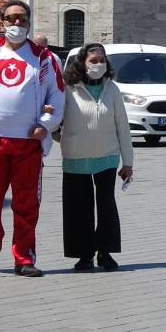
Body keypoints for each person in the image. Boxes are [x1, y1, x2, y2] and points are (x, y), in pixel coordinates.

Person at [0, 0, 65, 277]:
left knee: (26, 204)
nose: (17, 23)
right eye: (12, 18)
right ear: (2, 21)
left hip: (28, 143)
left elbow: (57, 96)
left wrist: (46, 123)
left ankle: (23, 257)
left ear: (29, 22)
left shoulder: (44, 58)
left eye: (23, 19)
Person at [58, 43, 133, 272]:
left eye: (102, 60)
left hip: (107, 157)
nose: (98, 65)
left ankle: (105, 251)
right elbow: (54, 119)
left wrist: (128, 162)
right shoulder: (68, 89)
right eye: (93, 61)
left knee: (106, 206)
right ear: (82, 63)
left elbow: (123, 126)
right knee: (78, 208)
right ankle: (84, 254)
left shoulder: (113, 89)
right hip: (76, 157)